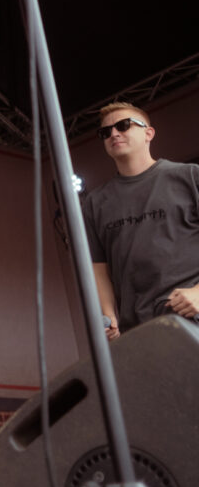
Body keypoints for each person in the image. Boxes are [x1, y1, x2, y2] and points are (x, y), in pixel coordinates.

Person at [82, 102, 199, 339]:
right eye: (105, 132)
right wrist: (108, 316)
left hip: (191, 316)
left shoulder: (190, 177)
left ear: (149, 133)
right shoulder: (95, 203)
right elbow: (98, 266)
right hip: (137, 330)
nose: (114, 133)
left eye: (123, 125)